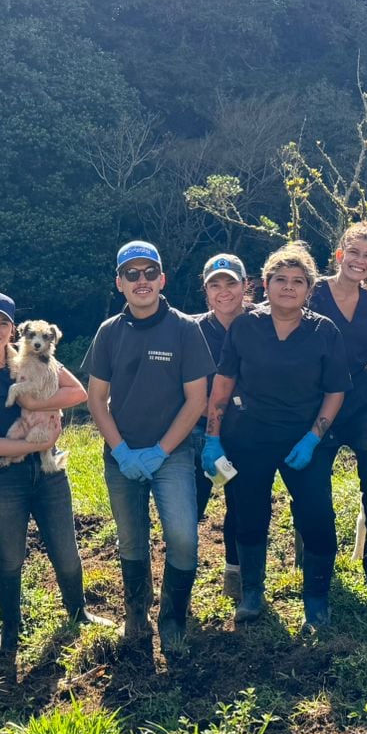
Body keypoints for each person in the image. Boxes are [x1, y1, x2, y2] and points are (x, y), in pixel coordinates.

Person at [0, 291, 111, 665]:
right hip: (2, 478)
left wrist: (35, 405)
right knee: (10, 558)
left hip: (49, 472)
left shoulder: (36, 359)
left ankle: (78, 613)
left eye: (2, 322)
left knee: (67, 551)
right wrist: (35, 444)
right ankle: (10, 633)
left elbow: (78, 392)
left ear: (13, 328)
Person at [202, 243, 350, 627]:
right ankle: (252, 592)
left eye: (297, 281)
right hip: (250, 436)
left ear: (309, 288)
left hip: (304, 439)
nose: (288, 287)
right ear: (265, 285)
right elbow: (223, 383)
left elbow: (336, 390)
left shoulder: (323, 331)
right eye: (280, 280)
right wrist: (212, 436)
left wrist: (314, 437)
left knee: (317, 515)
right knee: (249, 514)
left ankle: (316, 597)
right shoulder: (246, 327)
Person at [82, 241, 214, 653]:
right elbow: (95, 400)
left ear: (162, 279)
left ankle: (173, 617)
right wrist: (120, 450)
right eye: (132, 274)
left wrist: (160, 450)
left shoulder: (185, 329)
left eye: (149, 273)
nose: (142, 281)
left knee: (183, 538)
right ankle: (136, 614)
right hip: (121, 455)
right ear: (120, 283)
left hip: (171, 455)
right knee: (131, 539)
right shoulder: (109, 332)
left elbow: (197, 400)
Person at [308, 218, 367, 584]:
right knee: (312, 484)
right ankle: (316, 563)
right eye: (354, 252)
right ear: (339, 254)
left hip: (360, 400)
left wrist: (360, 364)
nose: (359, 260)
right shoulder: (311, 291)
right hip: (313, 402)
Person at [193, 253, 250, 601]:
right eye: (215, 284)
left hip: (247, 431)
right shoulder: (194, 329)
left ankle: (236, 571)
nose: (224, 291)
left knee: (242, 505)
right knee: (192, 504)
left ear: (246, 286)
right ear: (206, 290)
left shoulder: (262, 324)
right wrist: (212, 429)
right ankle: (181, 574)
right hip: (200, 429)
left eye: (231, 282)